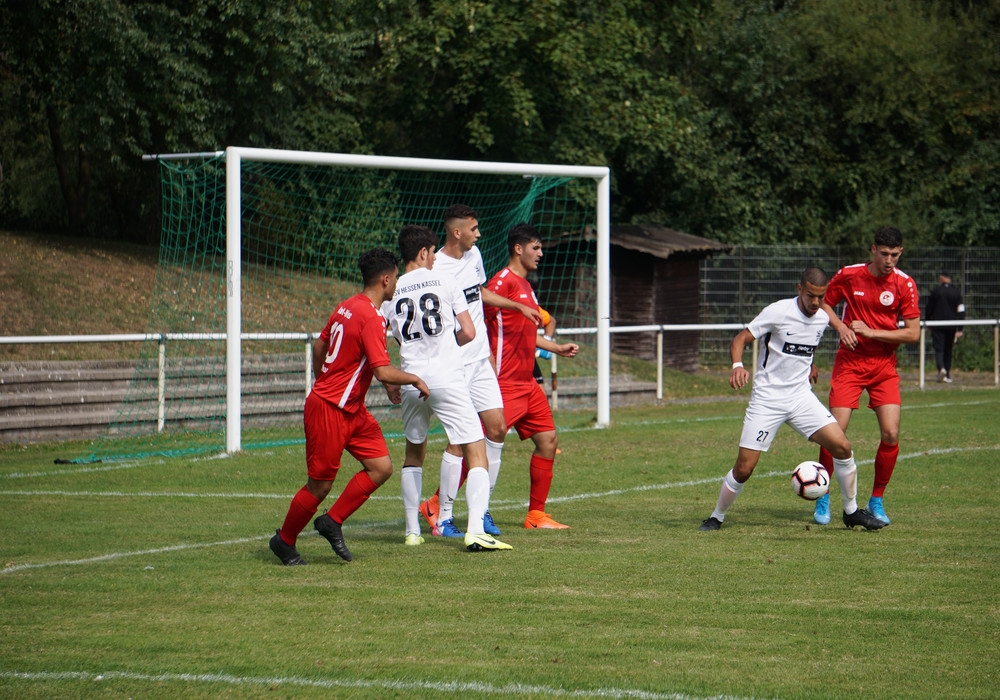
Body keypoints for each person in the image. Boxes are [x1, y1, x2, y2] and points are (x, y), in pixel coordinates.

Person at [268, 248, 430, 566]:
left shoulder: (348, 306)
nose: (396, 282)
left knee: (381, 467)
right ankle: (283, 541)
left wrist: (324, 379)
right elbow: (382, 368)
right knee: (320, 484)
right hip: (330, 410)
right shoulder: (370, 316)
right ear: (386, 279)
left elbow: (320, 345)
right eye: (395, 277)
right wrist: (414, 379)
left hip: (351, 409)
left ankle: (332, 521)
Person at [699, 267, 886, 531]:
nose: (816, 303)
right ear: (800, 289)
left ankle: (851, 511)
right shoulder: (778, 312)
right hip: (768, 400)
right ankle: (716, 516)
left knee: (842, 447)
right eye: (811, 295)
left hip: (800, 398)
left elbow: (808, 345)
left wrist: (809, 364)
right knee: (744, 468)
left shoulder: (821, 318)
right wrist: (737, 365)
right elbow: (740, 339)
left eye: (821, 297)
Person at [384, 225, 511, 552]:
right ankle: (475, 530)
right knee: (475, 449)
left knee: (414, 453)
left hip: (411, 379)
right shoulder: (445, 280)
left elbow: (388, 336)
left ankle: (412, 531)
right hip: (446, 376)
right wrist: (445, 346)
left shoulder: (393, 291)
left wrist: (391, 379)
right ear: (425, 252)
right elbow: (468, 331)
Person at [417, 204, 541, 538]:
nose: (479, 233)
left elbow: (480, 294)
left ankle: (481, 510)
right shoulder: (435, 267)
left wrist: (518, 306)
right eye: (474, 228)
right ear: (456, 232)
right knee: (460, 441)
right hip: (454, 365)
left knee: (497, 429)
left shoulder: (474, 257)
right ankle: (441, 516)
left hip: (480, 361)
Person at [813, 226, 921, 527]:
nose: (890, 260)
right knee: (835, 433)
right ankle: (823, 494)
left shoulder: (905, 284)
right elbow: (823, 301)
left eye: (896, 255)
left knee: (891, 433)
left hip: (884, 367)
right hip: (850, 364)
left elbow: (913, 333)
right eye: (885, 254)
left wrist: (871, 332)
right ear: (873, 249)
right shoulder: (850, 274)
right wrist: (841, 328)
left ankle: (876, 499)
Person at [485, 223, 579, 529]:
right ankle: (437, 503)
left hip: (526, 381)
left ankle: (536, 515)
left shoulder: (526, 285)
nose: (540, 253)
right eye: (536, 248)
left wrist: (557, 347)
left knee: (548, 440)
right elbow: (479, 301)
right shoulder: (504, 280)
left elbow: (527, 332)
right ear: (518, 248)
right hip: (504, 380)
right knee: (481, 444)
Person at [925, 272, 965, 383]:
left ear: (942, 278)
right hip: (951, 325)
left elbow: (929, 308)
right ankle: (947, 373)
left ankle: (941, 368)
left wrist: (928, 321)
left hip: (937, 324)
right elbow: (961, 310)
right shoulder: (956, 293)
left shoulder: (936, 292)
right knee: (948, 349)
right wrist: (960, 328)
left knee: (939, 349)